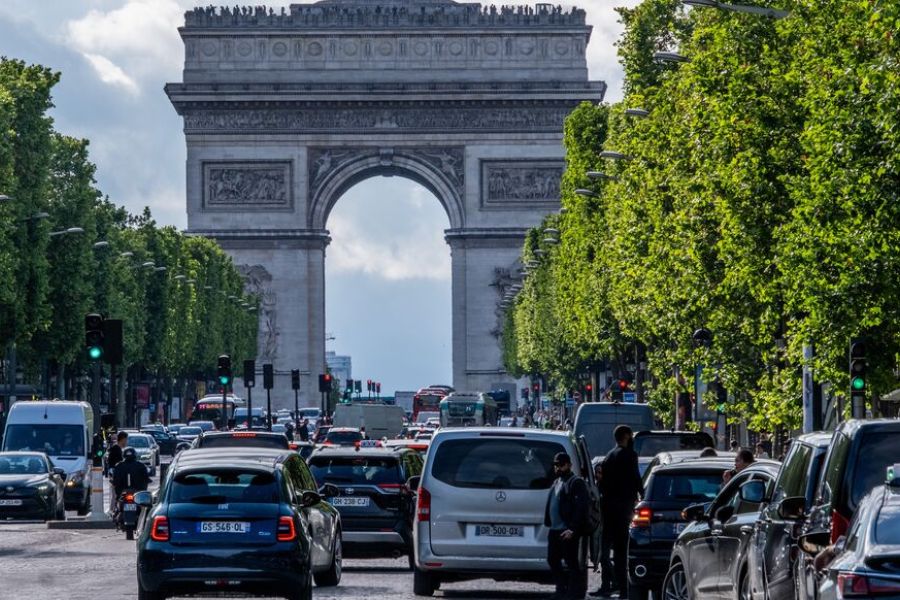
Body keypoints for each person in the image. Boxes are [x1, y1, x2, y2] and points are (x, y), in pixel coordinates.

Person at [592, 425, 642, 598]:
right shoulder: (630, 455)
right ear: (626, 436)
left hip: (608, 508)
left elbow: (602, 483)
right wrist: (642, 495)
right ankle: (623, 589)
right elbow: (636, 478)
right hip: (623, 509)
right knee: (621, 551)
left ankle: (607, 585)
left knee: (605, 548)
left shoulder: (608, 456)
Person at [545, 452, 591, 600]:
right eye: (556, 465)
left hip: (567, 529)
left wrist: (572, 528)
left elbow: (581, 507)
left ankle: (574, 593)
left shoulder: (576, 482)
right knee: (553, 559)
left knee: (572, 563)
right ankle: (561, 589)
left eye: (561, 465)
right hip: (555, 529)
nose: (558, 468)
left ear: (568, 465)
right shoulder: (557, 481)